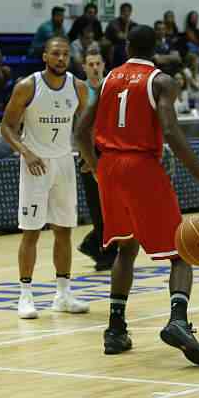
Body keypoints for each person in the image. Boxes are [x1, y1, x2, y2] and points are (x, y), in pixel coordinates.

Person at [75, 25, 199, 363]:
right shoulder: (161, 81)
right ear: (157, 48)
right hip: (140, 167)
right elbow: (172, 131)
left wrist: (93, 163)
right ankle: (178, 320)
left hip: (109, 169)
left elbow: (80, 130)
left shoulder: (107, 80)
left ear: (126, 45)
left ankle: (115, 330)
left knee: (125, 250)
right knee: (182, 251)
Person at [0, 37, 90, 319]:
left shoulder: (78, 87)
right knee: (31, 231)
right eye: (55, 54)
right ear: (45, 57)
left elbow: (86, 126)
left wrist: (89, 155)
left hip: (64, 162)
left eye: (65, 54)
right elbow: (7, 127)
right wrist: (26, 153)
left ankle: (62, 294)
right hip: (35, 164)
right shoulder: (28, 86)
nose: (61, 58)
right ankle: (25, 295)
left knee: (64, 229)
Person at [77, 49, 118, 271]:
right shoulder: (79, 90)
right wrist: (86, 157)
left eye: (97, 63)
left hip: (110, 152)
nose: (94, 67)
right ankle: (105, 253)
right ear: (84, 67)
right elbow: (80, 128)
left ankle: (93, 244)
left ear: (103, 65)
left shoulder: (112, 88)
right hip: (88, 153)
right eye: (90, 63)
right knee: (98, 208)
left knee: (116, 206)